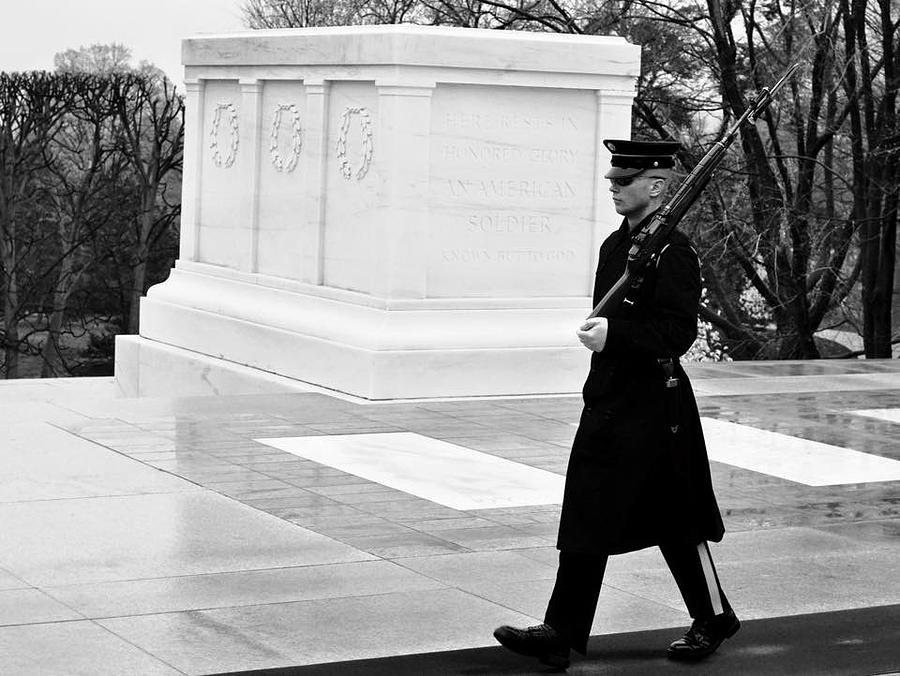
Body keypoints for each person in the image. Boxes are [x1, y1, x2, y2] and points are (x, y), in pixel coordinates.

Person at [493, 139, 739, 670]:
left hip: (655, 407)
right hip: (610, 400)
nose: (614, 187)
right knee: (588, 510)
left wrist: (616, 335)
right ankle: (561, 631)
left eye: (624, 180)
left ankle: (713, 616)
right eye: (612, 180)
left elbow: (676, 333)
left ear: (657, 185)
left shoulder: (674, 251)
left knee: (677, 519)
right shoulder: (616, 246)